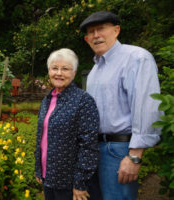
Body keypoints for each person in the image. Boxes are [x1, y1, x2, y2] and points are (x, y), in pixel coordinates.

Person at [80, 11, 162, 200]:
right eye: (91, 32)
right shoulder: (94, 71)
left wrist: (135, 155)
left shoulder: (136, 58)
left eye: (101, 29)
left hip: (119, 150)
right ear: (86, 39)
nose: (96, 35)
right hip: (95, 150)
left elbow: (147, 107)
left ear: (116, 30)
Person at [34, 48, 100, 200]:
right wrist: (39, 169)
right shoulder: (48, 99)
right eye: (54, 68)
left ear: (74, 73)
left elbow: (89, 145)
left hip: (69, 182)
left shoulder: (83, 101)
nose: (59, 73)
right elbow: (41, 137)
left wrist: (80, 182)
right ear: (49, 71)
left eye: (65, 69)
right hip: (48, 177)